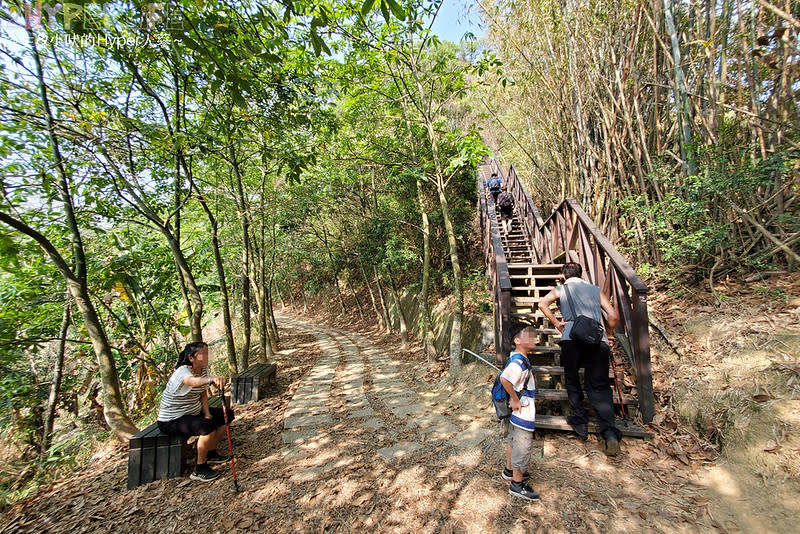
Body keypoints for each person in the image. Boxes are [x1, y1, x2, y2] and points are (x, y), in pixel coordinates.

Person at [537, 262, 622, 455]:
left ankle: (580, 421)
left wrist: (557, 323)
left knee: (572, 378)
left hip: (571, 337)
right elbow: (613, 315)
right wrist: (608, 333)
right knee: (599, 384)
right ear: (581, 274)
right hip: (597, 339)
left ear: (564, 276)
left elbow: (542, 304)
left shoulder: (560, 289)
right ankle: (609, 432)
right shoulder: (594, 289)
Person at [157, 341, 234, 481]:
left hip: (193, 412)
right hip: (172, 419)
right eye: (202, 354)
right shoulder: (182, 372)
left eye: (207, 353)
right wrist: (212, 379)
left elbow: (202, 393)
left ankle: (210, 452)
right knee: (207, 427)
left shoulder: (204, 369)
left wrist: (207, 414)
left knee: (226, 415)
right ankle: (199, 468)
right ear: (191, 358)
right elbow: (192, 382)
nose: (206, 356)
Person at [499, 323, 541, 501]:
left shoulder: (518, 358)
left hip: (517, 413)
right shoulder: (519, 363)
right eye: (529, 335)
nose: (535, 338)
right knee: (523, 446)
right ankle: (517, 483)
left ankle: (509, 470)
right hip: (522, 411)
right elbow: (505, 379)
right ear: (517, 340)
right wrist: (515, 399)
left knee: (513, 440)